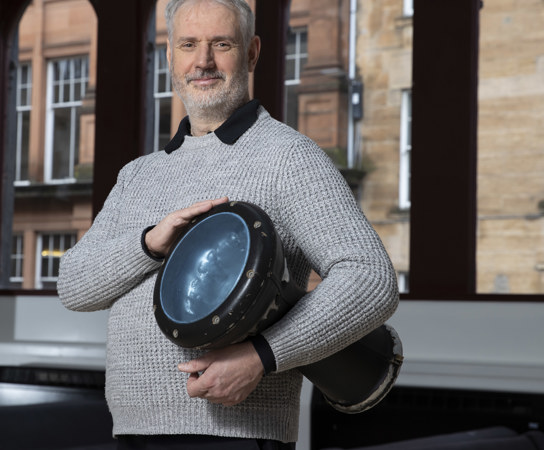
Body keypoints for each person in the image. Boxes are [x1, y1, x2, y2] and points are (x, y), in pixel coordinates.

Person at [57, 0, 399, 448]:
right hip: (133, 431)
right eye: (189, 45)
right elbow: (73, 287)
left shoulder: (288, 157)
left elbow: (372, 278)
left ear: (252, 52)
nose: (203, 61)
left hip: (237, 435)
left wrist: (263, 356)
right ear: (169, 57)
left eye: (221, 44)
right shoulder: (137, 175)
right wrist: (149, 245)